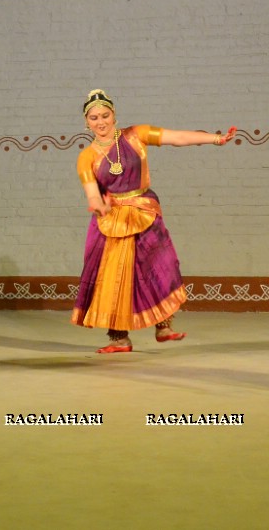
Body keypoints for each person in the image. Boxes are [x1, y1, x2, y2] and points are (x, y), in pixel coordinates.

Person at [73, 89, 236, 353]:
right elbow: (92, 191)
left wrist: (216, 139)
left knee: (159, 266)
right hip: (111, 221)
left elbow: (177, 137)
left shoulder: (136, 135)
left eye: (105, 115)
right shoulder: (86, 157)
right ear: (86, 122)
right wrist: (99, 204)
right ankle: (119, 339)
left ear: (114, 115)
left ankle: (163, 327)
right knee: (115, 279)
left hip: (144, 211)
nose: (100, 122)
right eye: (94, 118)